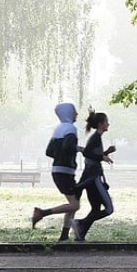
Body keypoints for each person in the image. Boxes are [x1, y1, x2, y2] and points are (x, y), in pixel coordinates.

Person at [31, 101, 81, 242]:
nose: (76, 114)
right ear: (69, 113)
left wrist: (61, 157)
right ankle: (42, 213)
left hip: (58, 170)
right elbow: (68, 147)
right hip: (65, 171)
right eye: (74, 111)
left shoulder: (58, 129)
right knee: (75, 205)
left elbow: (49, 152)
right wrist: (78, 150)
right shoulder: (71, 128)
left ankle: (64, 236)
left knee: (72, 205)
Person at [73, 110, 115, 243]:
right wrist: (102, 156)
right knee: (108, 209)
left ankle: (80, 234)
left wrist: (106, 152)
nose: (109, 124)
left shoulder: (96, 138)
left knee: (96, 208)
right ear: (101, 124)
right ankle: (80, 223)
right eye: (106, 121)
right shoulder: (95, 137)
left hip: (91, 178)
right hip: (94, 178)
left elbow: (92, 154)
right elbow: (87, 153)